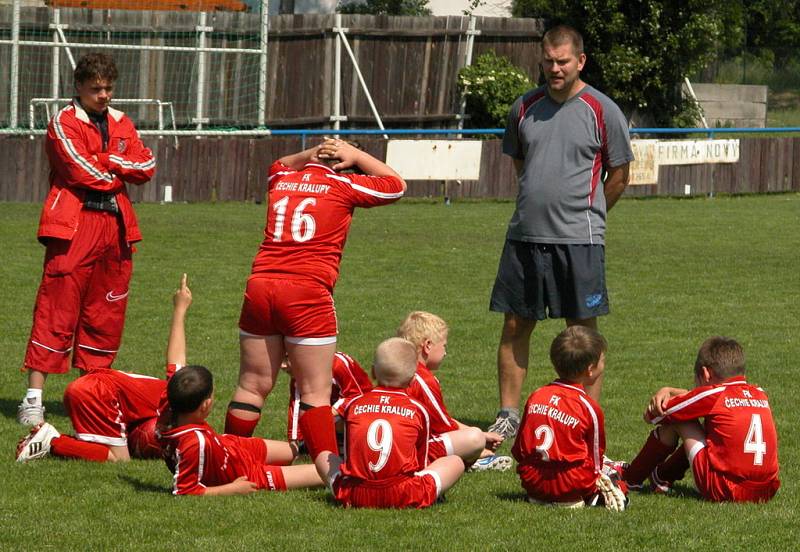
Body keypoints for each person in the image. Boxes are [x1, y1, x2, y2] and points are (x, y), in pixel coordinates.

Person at [488, 24, 634, 439]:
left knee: (582, 332)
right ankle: (508, 415)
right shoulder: (524, 107)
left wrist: (587, 212)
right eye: (549, 61)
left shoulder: (602, 110)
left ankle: (585, 412)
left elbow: (620, 175)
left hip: (579, 241)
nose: (555, 68)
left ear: (580, 61)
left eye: (563, 61)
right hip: (525, 238)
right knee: (515, 325)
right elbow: (521, 164)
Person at [224, 140, 406, 463]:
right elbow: (396, 185)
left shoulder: (283, 180)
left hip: (261, 284)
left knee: (252, 386)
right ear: (346, 165)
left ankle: (223, 458)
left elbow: (277, 165)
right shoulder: (343, 183)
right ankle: (330, 474)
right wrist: (358, 155)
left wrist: (309, 154)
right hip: (306, 291)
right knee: (315, 392)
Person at [18, 52, 156, 426]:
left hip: (116, 226)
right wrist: (115, 165)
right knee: (56, 307)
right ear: (79, 87)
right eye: (96, 88)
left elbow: (146, 166)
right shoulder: (63, 122)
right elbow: (79, 170)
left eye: (109, 88)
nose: (104, 95)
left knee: (106, 312)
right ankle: (33, 398)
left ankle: (90, 397)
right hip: (74, 225)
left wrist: (108, 160)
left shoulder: (122, 122)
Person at [17, 274, 189, 463]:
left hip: (90, 386)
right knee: (120, 459)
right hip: (98, 393)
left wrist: (180, 308)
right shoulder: (176, 400)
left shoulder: (177, 388)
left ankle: (56, 439)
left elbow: (177, 357)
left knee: (103, 447)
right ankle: (53, 440)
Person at [303, 337, 466, 509]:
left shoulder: (354, 403)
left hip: (355, 494)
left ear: (373, 372)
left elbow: (325, 421)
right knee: (455, 461)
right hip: (403, 494)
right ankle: (429, 495)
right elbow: (420, 463)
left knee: (324, 456)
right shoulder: (418, 409)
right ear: (412, 380)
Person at [620, 337, 780, 503]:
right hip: (766, 491)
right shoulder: (760, 393)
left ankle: (631, 479)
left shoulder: (715, 394)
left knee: (681, 419)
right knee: (710, 427)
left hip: (725, 490)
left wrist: (664, 394)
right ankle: (662, 476)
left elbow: (655, 415)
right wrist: (675, 391)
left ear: (705, 374)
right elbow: (704, 402)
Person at [160, 365, 322, 496]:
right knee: (321, 473)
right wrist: (233, 489)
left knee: (297, 450)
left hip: (235, 447)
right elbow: (184, 491)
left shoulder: (168, 408)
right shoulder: (193, 443)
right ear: (206, 405)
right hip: (246, 473)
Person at [511, 326, 626, 511]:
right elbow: (595, 461)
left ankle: (543, 497)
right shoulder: (589, 407)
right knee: (614, 474)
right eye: (602, 360)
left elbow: (519, 450)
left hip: (532, 482)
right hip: (571, 484)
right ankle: (592, 498)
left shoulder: (536, 396)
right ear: (590, 369)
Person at [396, 311, 510, 471]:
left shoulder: (395, 369)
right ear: (428, 346)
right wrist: (479, 442)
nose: (445, 352)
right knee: (473, 439)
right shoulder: (422, 379)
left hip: (393, 444)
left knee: (474, 435)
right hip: (410, 449)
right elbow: (444, 426)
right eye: (444, 346)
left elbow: (441, 419)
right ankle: (472, 461)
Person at [286, 351, 373, 450]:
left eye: (287, 358)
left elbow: (356, 395)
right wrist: (294, 440)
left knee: (320, 418)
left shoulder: (337, 364)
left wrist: (326, 414)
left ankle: (343, 441)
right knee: (314, 415)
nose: (282, 366)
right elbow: (296, 406)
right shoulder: (299, 376)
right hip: (332, 407)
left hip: (364, 405)